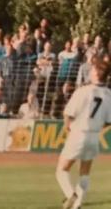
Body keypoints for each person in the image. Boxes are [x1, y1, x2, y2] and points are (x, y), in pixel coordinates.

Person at [55, 59, 111, 209]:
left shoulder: (83, 91)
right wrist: (97, 125)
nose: (90, 71)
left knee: (61, 169)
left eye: (93, 69)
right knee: (85, 171)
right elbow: (108, 121)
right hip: (94, 136)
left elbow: (68, 113)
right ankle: (78, 204)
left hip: (78, 132)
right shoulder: (108, 94)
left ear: (97, 73)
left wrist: (68, 127)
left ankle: (70, 194)